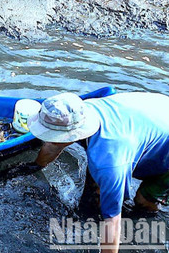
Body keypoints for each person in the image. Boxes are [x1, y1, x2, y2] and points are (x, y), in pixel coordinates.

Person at [29, 92, 169, 253]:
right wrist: (34, 168)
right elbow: (53, 145)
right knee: (96, 196)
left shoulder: (108, 162)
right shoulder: (82, 111)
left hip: (159, 139)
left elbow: (112, 221)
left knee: (143, 199)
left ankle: (142, 226)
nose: (50, 139)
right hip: (154, 117)